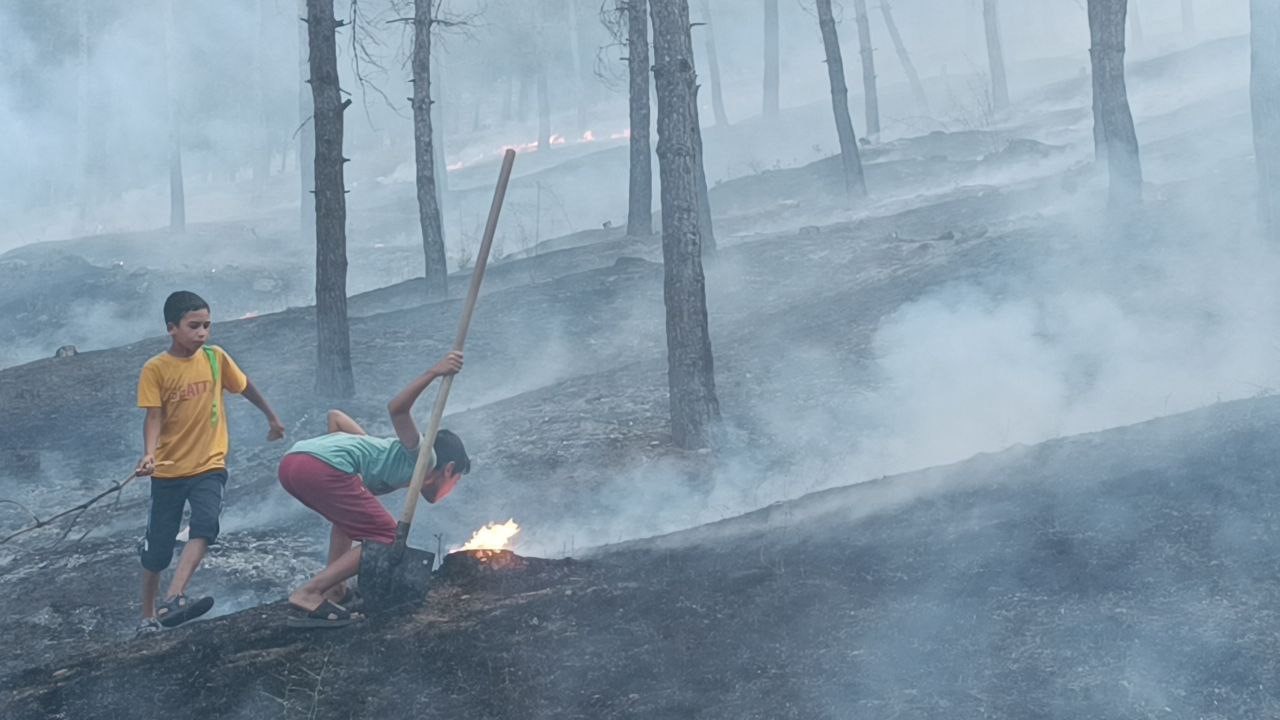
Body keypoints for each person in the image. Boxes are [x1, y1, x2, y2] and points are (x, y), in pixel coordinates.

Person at [277, 351, 471, 628]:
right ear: (449, 469)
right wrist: (434, 372)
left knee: (347, 523)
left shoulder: (378, 455)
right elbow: (397, 409)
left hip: (292, 464)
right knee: (388, 537)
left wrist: (343, 452)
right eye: (456, 481)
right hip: (319, 467)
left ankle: (335, 590)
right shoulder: (424, 456)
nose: (452, 489)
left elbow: (337, 417)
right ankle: (309, 591)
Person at [134, 291, 286, 635]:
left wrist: (272, 418)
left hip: (209, 464)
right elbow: (153, 416)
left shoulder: (216, 359)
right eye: (193, 326)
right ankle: (147, 617)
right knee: (156, 552)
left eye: (206, 325)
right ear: (172, 328)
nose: (202, 333)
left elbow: (246, 387)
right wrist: (149, 453)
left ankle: (174, 597)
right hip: (169, 470)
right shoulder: (156, 369)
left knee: (205, 524)